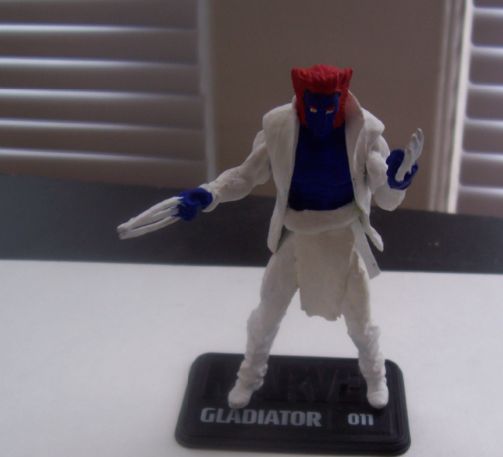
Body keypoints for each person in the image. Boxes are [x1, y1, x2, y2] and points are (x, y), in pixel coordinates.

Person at [118, 64, 423, 410]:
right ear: (300, 100)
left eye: (329, 108)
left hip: (343, 240)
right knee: (266, 316)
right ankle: (249, 376)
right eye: (313, 107)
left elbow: (386, 199)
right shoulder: (279, 130)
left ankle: (376, 376)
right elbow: (246, 176)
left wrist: (397, 181)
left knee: (361, 323)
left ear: (341, 102)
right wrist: (209, 193)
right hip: (296, 237)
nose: (321, 117)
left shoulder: (367, 134)